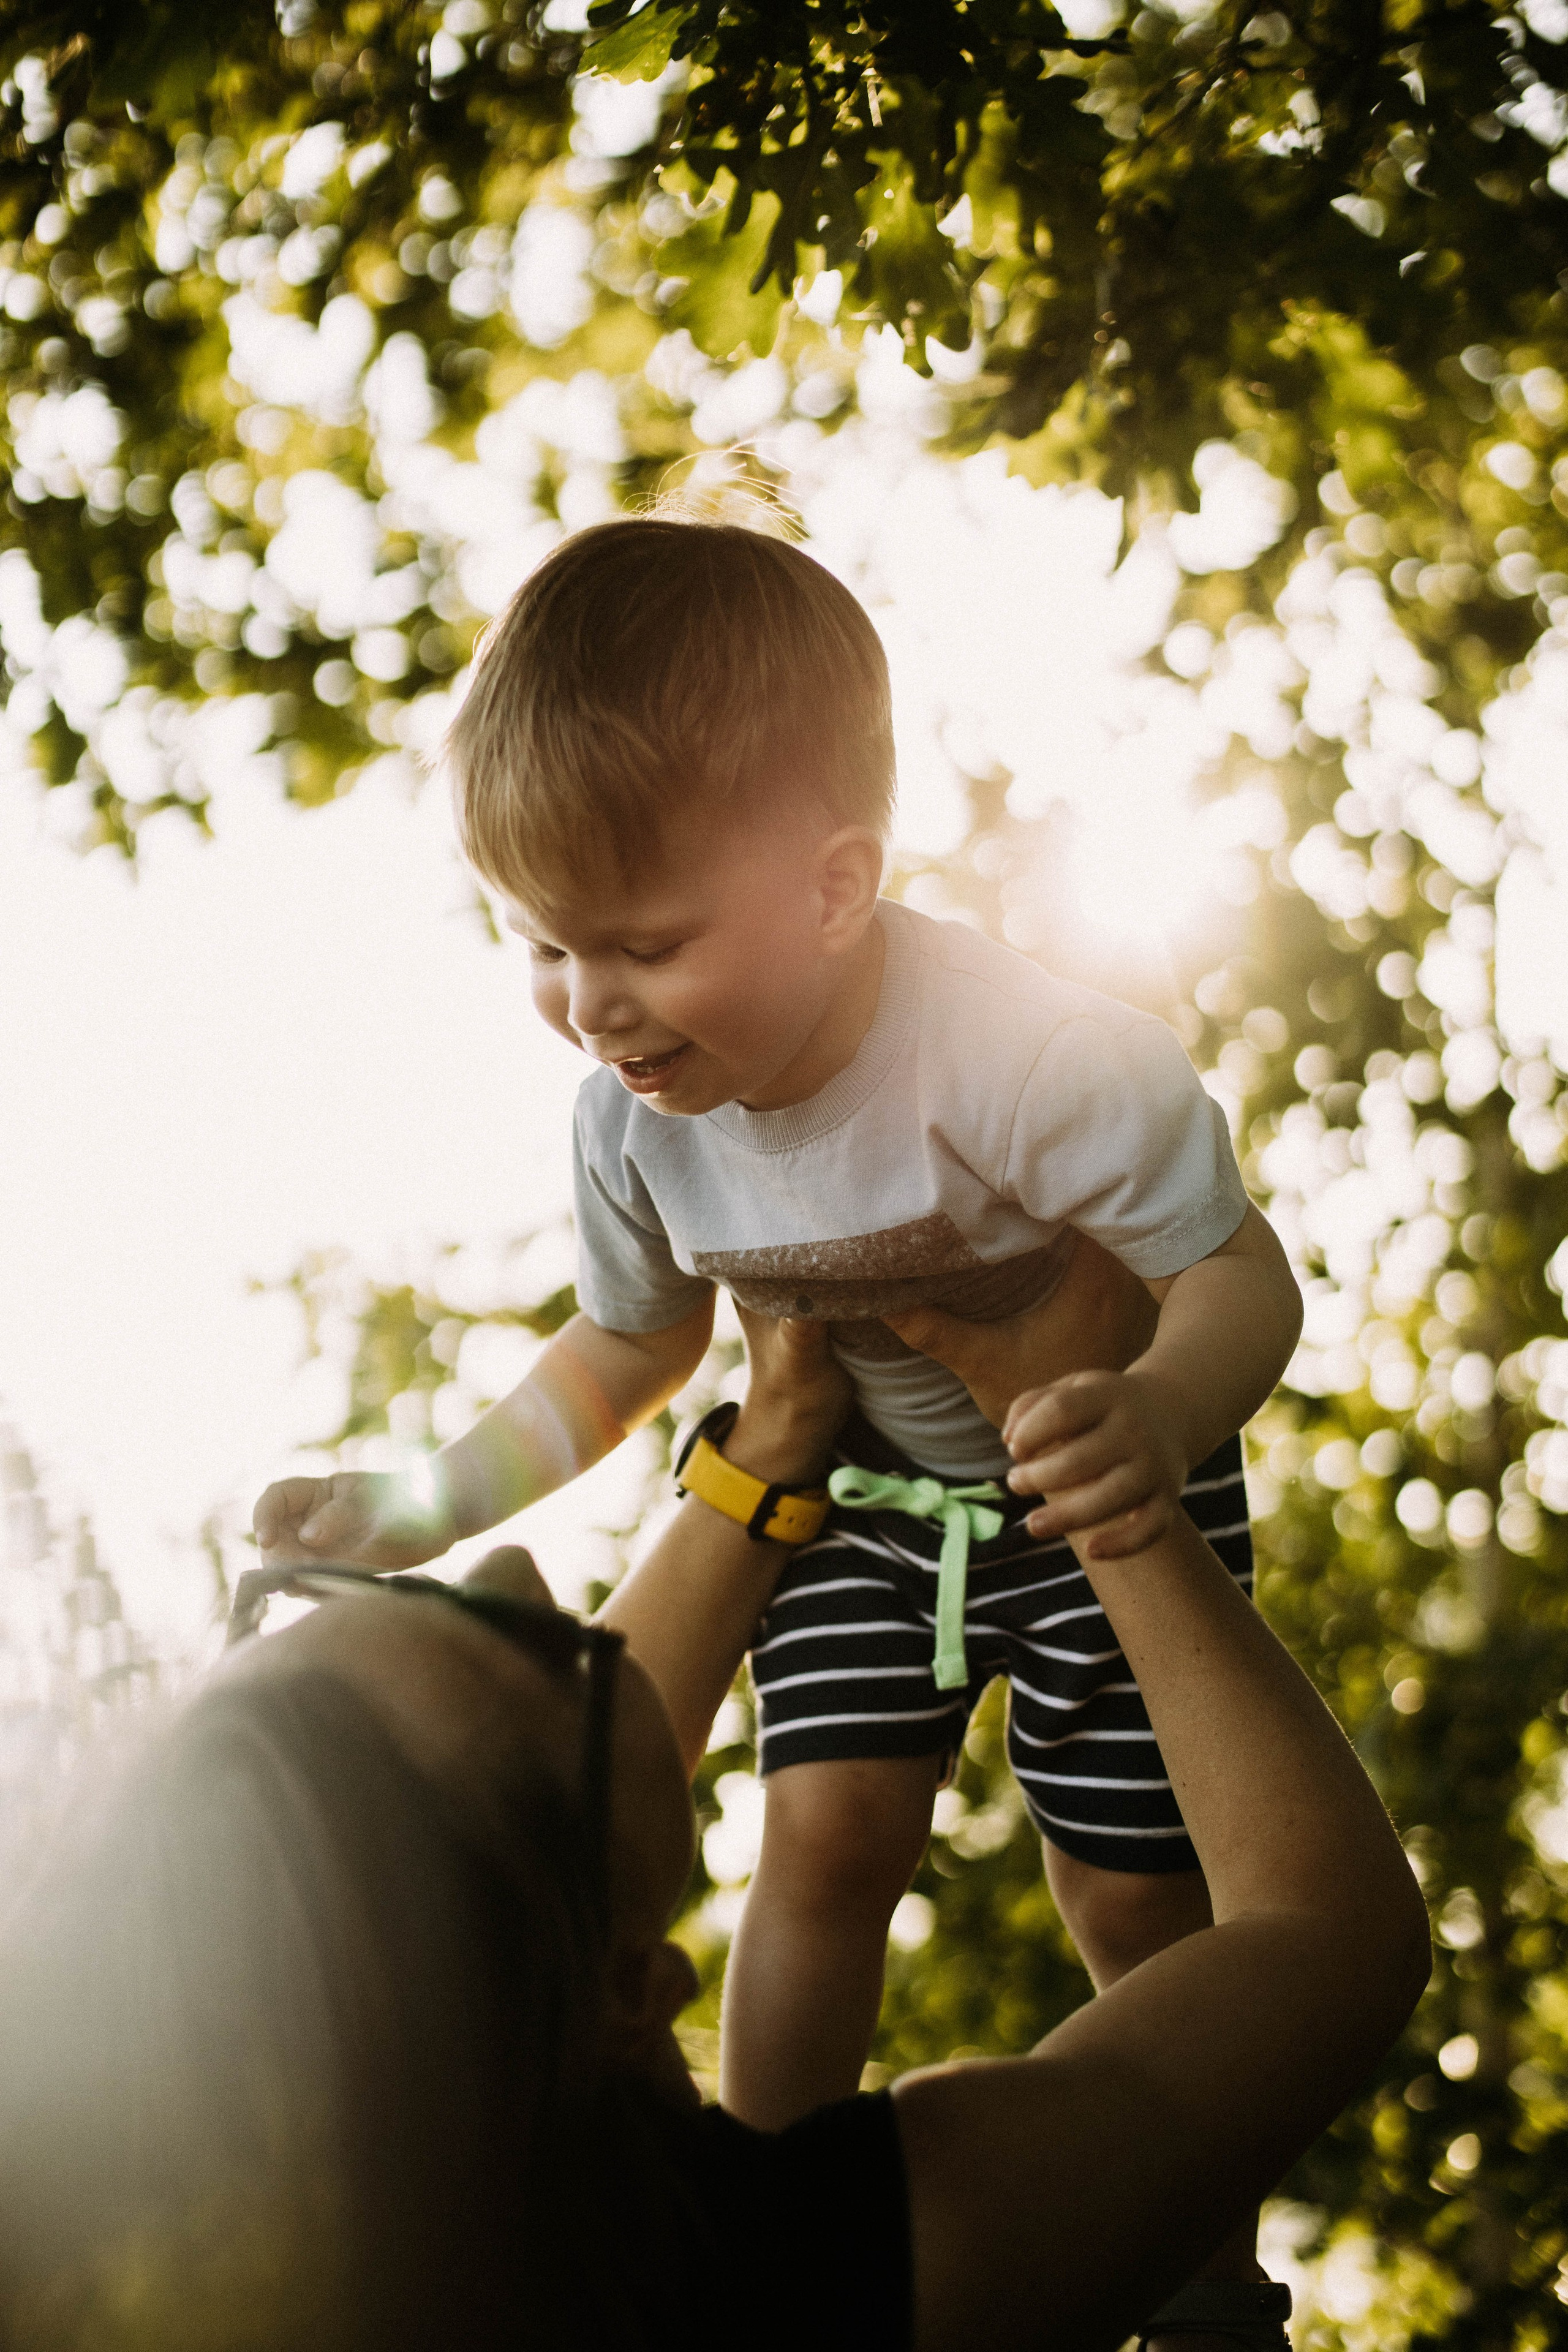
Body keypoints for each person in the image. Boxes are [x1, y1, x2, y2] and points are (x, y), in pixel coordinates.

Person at [251, 514, 1303, 2234]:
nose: (591, 1005)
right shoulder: (634, 1128)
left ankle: (1195, 2260)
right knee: (821, 1840)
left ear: (833, 887)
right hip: (874, 1518)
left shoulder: (1028, 1059)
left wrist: (1166, 1412)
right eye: (541, 945)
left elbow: (1236, 1274)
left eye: (644, 944)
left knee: (1132, 1897)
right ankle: (750, 2223)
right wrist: (417, 1504)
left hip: (1099, 1495)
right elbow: (629, 1348)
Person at [0, 1316, 1427, 2351]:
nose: (508, 1553)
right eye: (530, 1638)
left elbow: (569, 1808)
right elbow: (1323, 1943)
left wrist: (770, 1442)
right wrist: (1110, 1498)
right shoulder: (793, 2288)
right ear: (633, 1997)